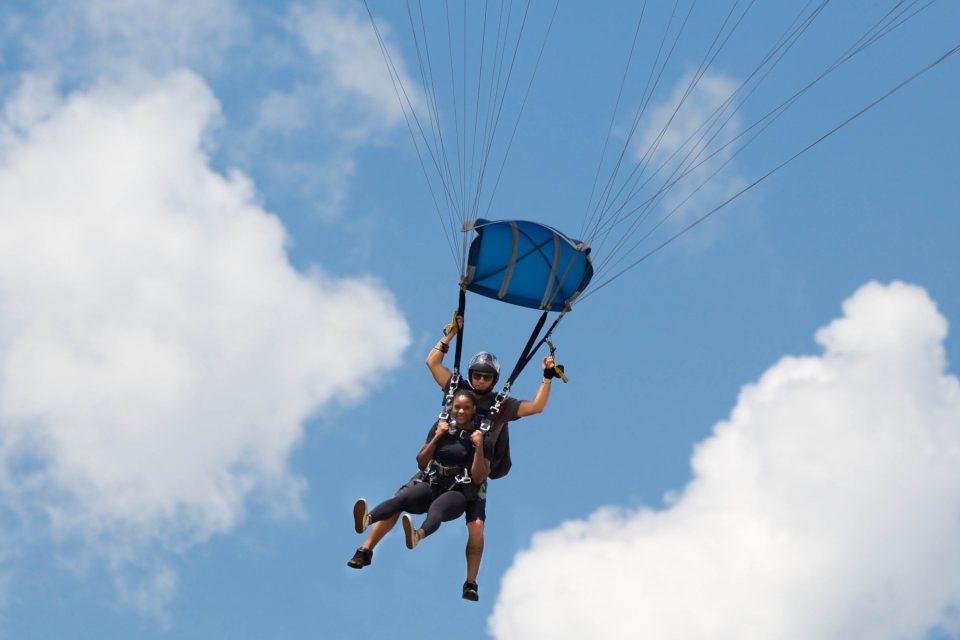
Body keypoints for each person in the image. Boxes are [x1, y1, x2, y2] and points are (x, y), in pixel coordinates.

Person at [347, 314, 557, 602]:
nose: (481, 380)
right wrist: (450, 335)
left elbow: (536, 407)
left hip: (474, 471)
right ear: (470, 375)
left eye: (487, 377)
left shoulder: (501, 405)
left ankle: (471, 582)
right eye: (477, 375)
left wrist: (546, 377)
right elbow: (432, 363)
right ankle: (365, 549)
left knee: (477, 528)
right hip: (439, 465)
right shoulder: (456, 391)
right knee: (401, 499)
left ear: (494, 379)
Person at [349, 388, 492, 558]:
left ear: (473, 410)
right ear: (451, 408)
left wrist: (479, 446)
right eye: (457, 407)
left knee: (437, 508)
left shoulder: (482, 436)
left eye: (466, 408)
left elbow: (478, 477)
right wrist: (437, 437)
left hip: (457, 492)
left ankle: (418, 535)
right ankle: (368, 519)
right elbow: (422, 462)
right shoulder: (442, 426)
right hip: (433, 483)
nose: (461, 411)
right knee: (401, 499)